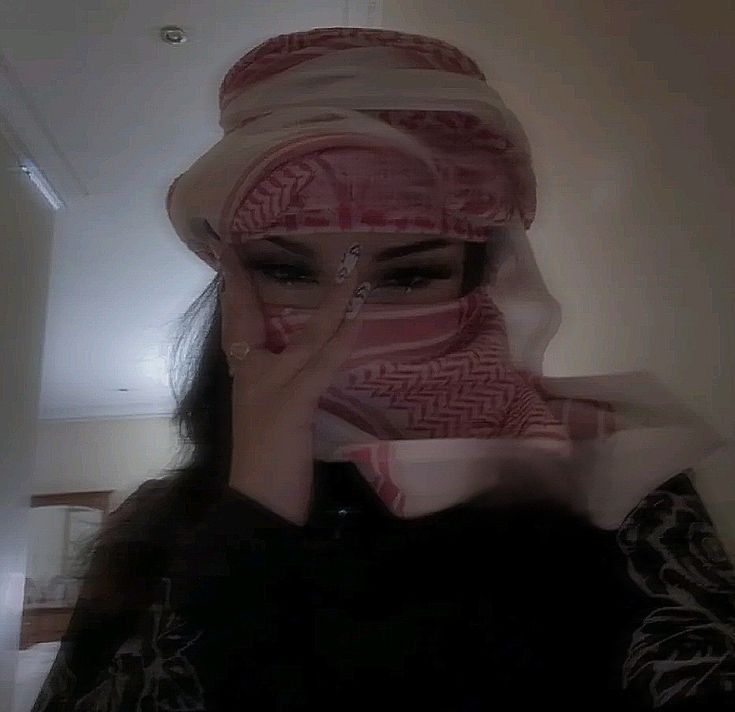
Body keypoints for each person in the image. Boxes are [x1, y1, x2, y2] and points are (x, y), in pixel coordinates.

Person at [30, 26, 735, 712]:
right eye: (286, 271)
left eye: (405, 277)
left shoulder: (613, 475)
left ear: (478, 283)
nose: (339, 326)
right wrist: (257, 503)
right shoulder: (159, 523)